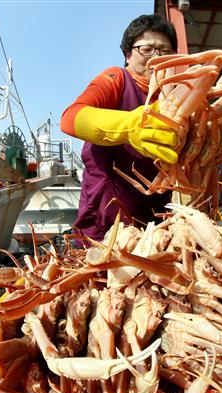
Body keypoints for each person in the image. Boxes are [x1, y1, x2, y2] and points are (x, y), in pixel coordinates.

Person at [60, 14, 178, 241]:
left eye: (165, 50)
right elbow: (70, 117)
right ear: (127, 54)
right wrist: (129, 126)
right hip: (108, 218)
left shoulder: (175, 94)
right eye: (147, 49)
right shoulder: (117, 78)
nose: (156, 57)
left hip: (159, 219)